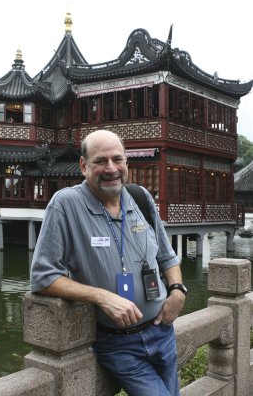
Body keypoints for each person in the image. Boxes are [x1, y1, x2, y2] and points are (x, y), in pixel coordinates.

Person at [30, 129, 186, 396]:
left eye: (117, 159)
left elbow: (166, 256)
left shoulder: (139, 197)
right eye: (101, 161)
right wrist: (101, 296)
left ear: (127, 162)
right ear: (83, 165)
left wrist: (178, 290)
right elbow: (43, 277)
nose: (111, 168)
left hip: (162, 331)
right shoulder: (66, 205)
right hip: (118, 343)